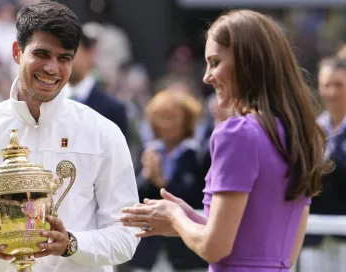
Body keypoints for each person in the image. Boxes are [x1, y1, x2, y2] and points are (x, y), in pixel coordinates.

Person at [120, 9, 331, 272]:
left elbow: (215, 248)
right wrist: (190, 220)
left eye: (215, 62)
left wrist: (174, 216)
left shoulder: (237, 133)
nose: (207, 76)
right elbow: (277, 251)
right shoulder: (298, 133)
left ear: (247, 62)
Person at [0, 2, 140, 272]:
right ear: (16, 52)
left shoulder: (103, 133)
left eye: (64, 58)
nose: (52, 68)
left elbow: (126, 236)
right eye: (41, 54)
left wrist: (71, 243)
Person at [130, 89, 209, 272]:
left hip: (188, 253)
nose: (165, 124)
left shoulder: (199, 155)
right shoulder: (148, 151)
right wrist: (147, 177)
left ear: (186, 119)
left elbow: (199, 199)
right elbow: (134, 197)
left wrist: (164, 184)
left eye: (171, 117)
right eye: (160, 117)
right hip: (149, 254)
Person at [300, 57, 346, 272]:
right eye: (327, 85)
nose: (332, 92)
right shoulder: (312, 131)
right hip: (314, 237)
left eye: (339, 85)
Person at [62, 24, 128, 140]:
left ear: (90, 53)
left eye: (73, 52)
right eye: (62, 54)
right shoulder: (49, 102)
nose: (67, 59)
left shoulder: (113, 108)